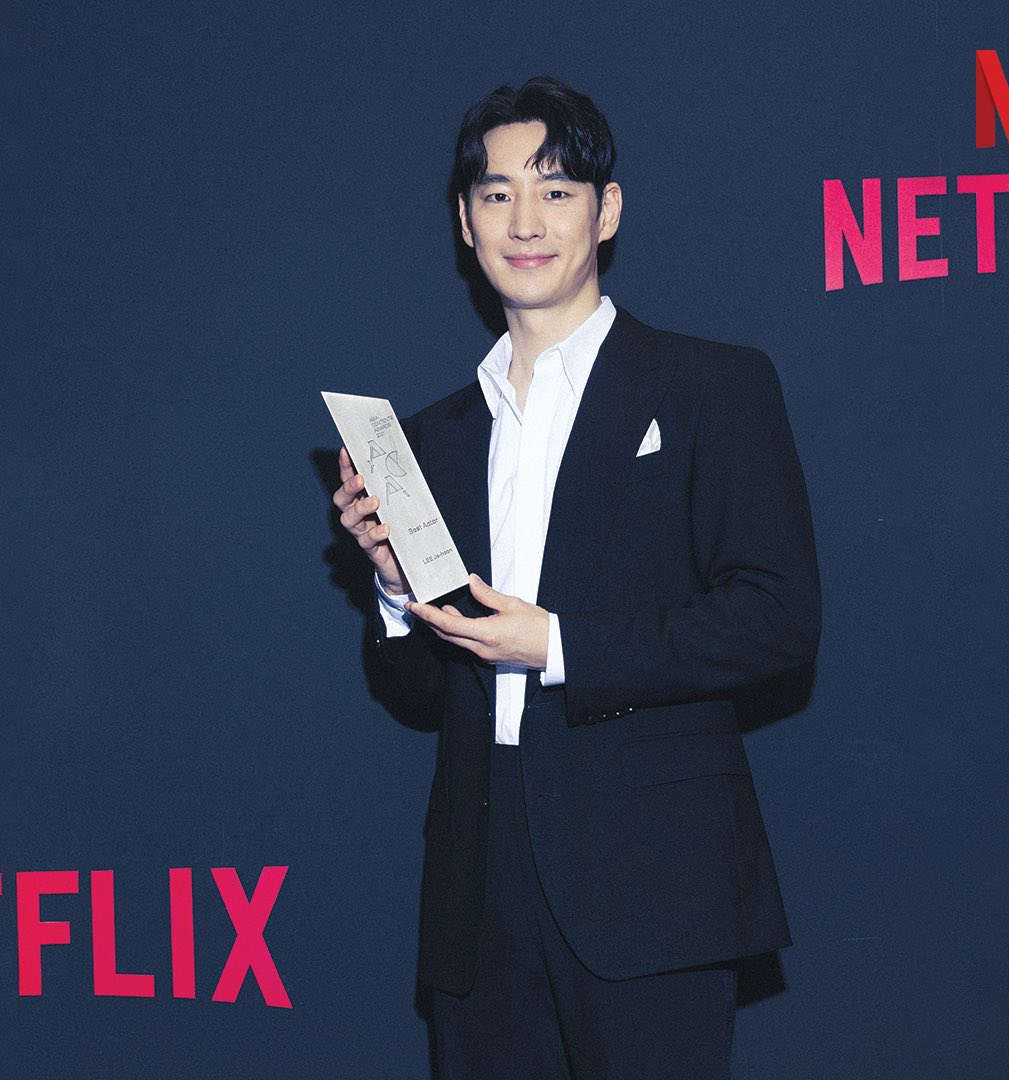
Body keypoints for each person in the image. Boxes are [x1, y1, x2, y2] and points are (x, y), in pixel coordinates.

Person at [333, 75, 820, 1080]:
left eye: (555, 190)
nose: (525, 221)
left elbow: (778, 617)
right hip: (480, 882)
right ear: (465, 222)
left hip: (652, 876)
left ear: (607, 210)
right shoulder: (432, 438)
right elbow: (420, 695)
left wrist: (557, 644)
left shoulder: (711, 386)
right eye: (498, 193)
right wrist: (393, 590)